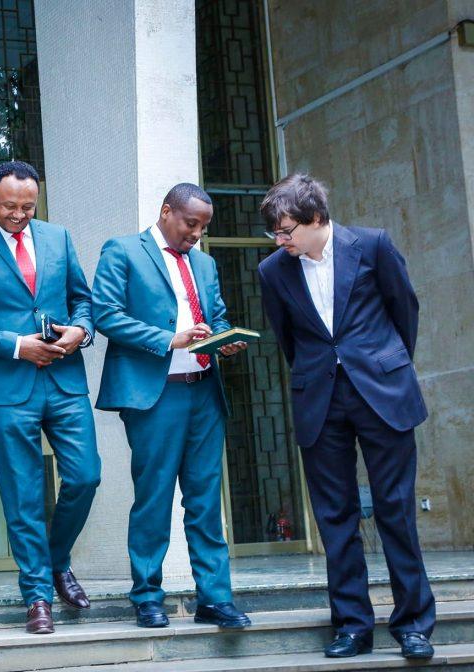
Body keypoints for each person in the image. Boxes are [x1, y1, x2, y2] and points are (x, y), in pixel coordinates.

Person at [257, 174, 435, 660]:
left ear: (316, 218)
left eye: (286, 230)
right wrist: (319, 375)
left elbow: (405, 310)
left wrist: (384, 364)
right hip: (320, 399)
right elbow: (288, 339)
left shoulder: (373, 246)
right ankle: (353, 626)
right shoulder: (273, 270)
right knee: (335, 516)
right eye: (275, 232)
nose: (279, 241)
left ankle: (414, 625)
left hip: (383, 393)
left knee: (396, 509)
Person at [0, 160, 100, 634]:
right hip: (8, 388)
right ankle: (37, 595)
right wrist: (16, 345)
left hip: (65, 380)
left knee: (86, 476)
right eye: (9, 205)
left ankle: (57, 559)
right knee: (23, 494)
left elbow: (83, 300)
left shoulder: (59, 238)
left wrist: (80, 331)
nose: (18, 214)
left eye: (28, 207)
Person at [93, 183, 251, 631]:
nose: (196, 234)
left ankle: (215, 599)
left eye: (203, 228)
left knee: (205, 500)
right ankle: (147, 596)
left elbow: (216, 316)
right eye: (190, 224)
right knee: (155, 497)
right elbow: (105, 314)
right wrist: (169, 339)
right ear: (167, 212)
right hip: (155, 394)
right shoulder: (123, 251)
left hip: (205, 392)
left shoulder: (205, 263)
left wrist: (225, 338)